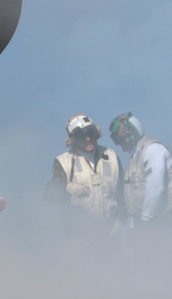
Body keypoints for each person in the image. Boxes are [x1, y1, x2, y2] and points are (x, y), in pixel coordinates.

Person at [44, 113, 123, 263]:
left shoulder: (111, 157)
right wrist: (67, 189)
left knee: (115, 282)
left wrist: (119, 225)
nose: (88, 139)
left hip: (110, 236)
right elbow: (49, 194)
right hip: (79, 238)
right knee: (78, 282)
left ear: (96, 133)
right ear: (72, 139)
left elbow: (123, 195)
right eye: (81, 136)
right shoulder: (64, 162)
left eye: (90, 134)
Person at [109, 113, 172, 265]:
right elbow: (135, 196)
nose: (119, 144)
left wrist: (143, 222)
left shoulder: (152, 149)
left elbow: (156, 188)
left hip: (163, 222)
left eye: (120, 139)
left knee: (161, 268)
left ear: (130, 135)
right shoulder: (135, 157)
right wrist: (133, 225)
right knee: (144, 270)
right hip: (147, 222)